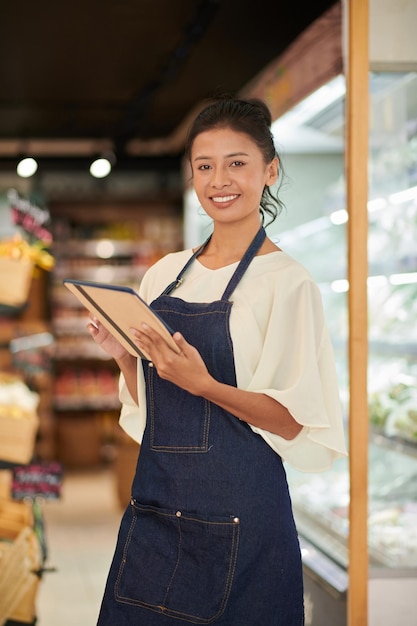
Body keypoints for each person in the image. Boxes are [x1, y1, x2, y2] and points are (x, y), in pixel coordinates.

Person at [88, 97, 347, 625]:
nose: (219, 180)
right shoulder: (163, 274)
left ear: (269, 170)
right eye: (205, 166)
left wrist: (204, 384)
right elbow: (155, 412)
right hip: (159, 509)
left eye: (237, 163)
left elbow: (293, 419)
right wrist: (124, 358)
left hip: (244, 515)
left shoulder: (287, 282)